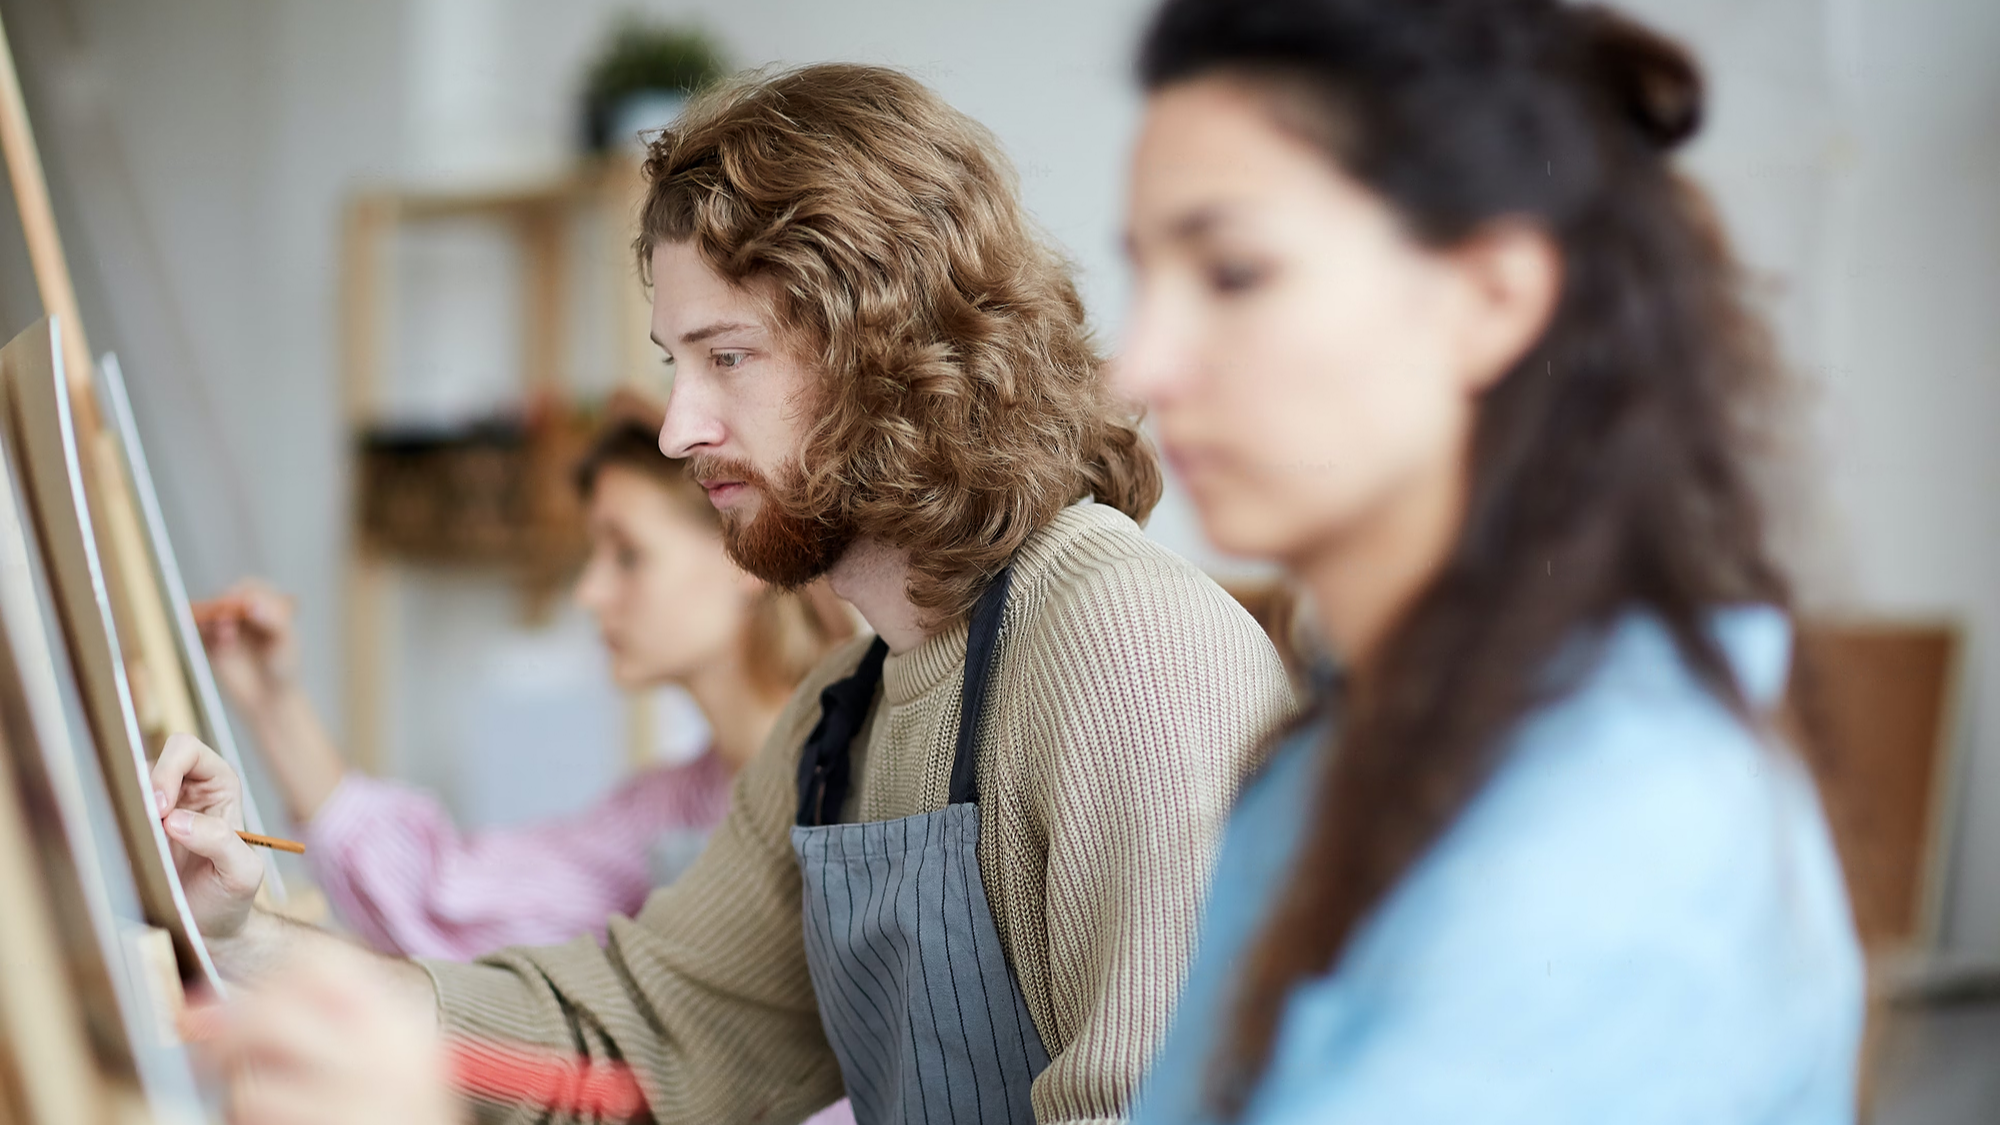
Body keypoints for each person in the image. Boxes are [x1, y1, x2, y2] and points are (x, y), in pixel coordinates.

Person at [156, 62, 1295, 1125]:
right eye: (673, 362)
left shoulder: (1120, 645)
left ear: (883, 345)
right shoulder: (841, 713)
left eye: (727, 357)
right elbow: (634, 1030)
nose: (677, 427)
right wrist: (245, 937)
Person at [1113, 0, 1865, 1122]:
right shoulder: (1339, 747)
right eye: (1142, 276)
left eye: (1231, 274)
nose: (1138, 368)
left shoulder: (1624, 823)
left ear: (1490, 297)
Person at [194, 416, 852, 961]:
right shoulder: (670, 811)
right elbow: (450, 898)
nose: (589, 592)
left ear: (747, 551)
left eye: (627, 555)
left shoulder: (858, 778)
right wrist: (271, 699)